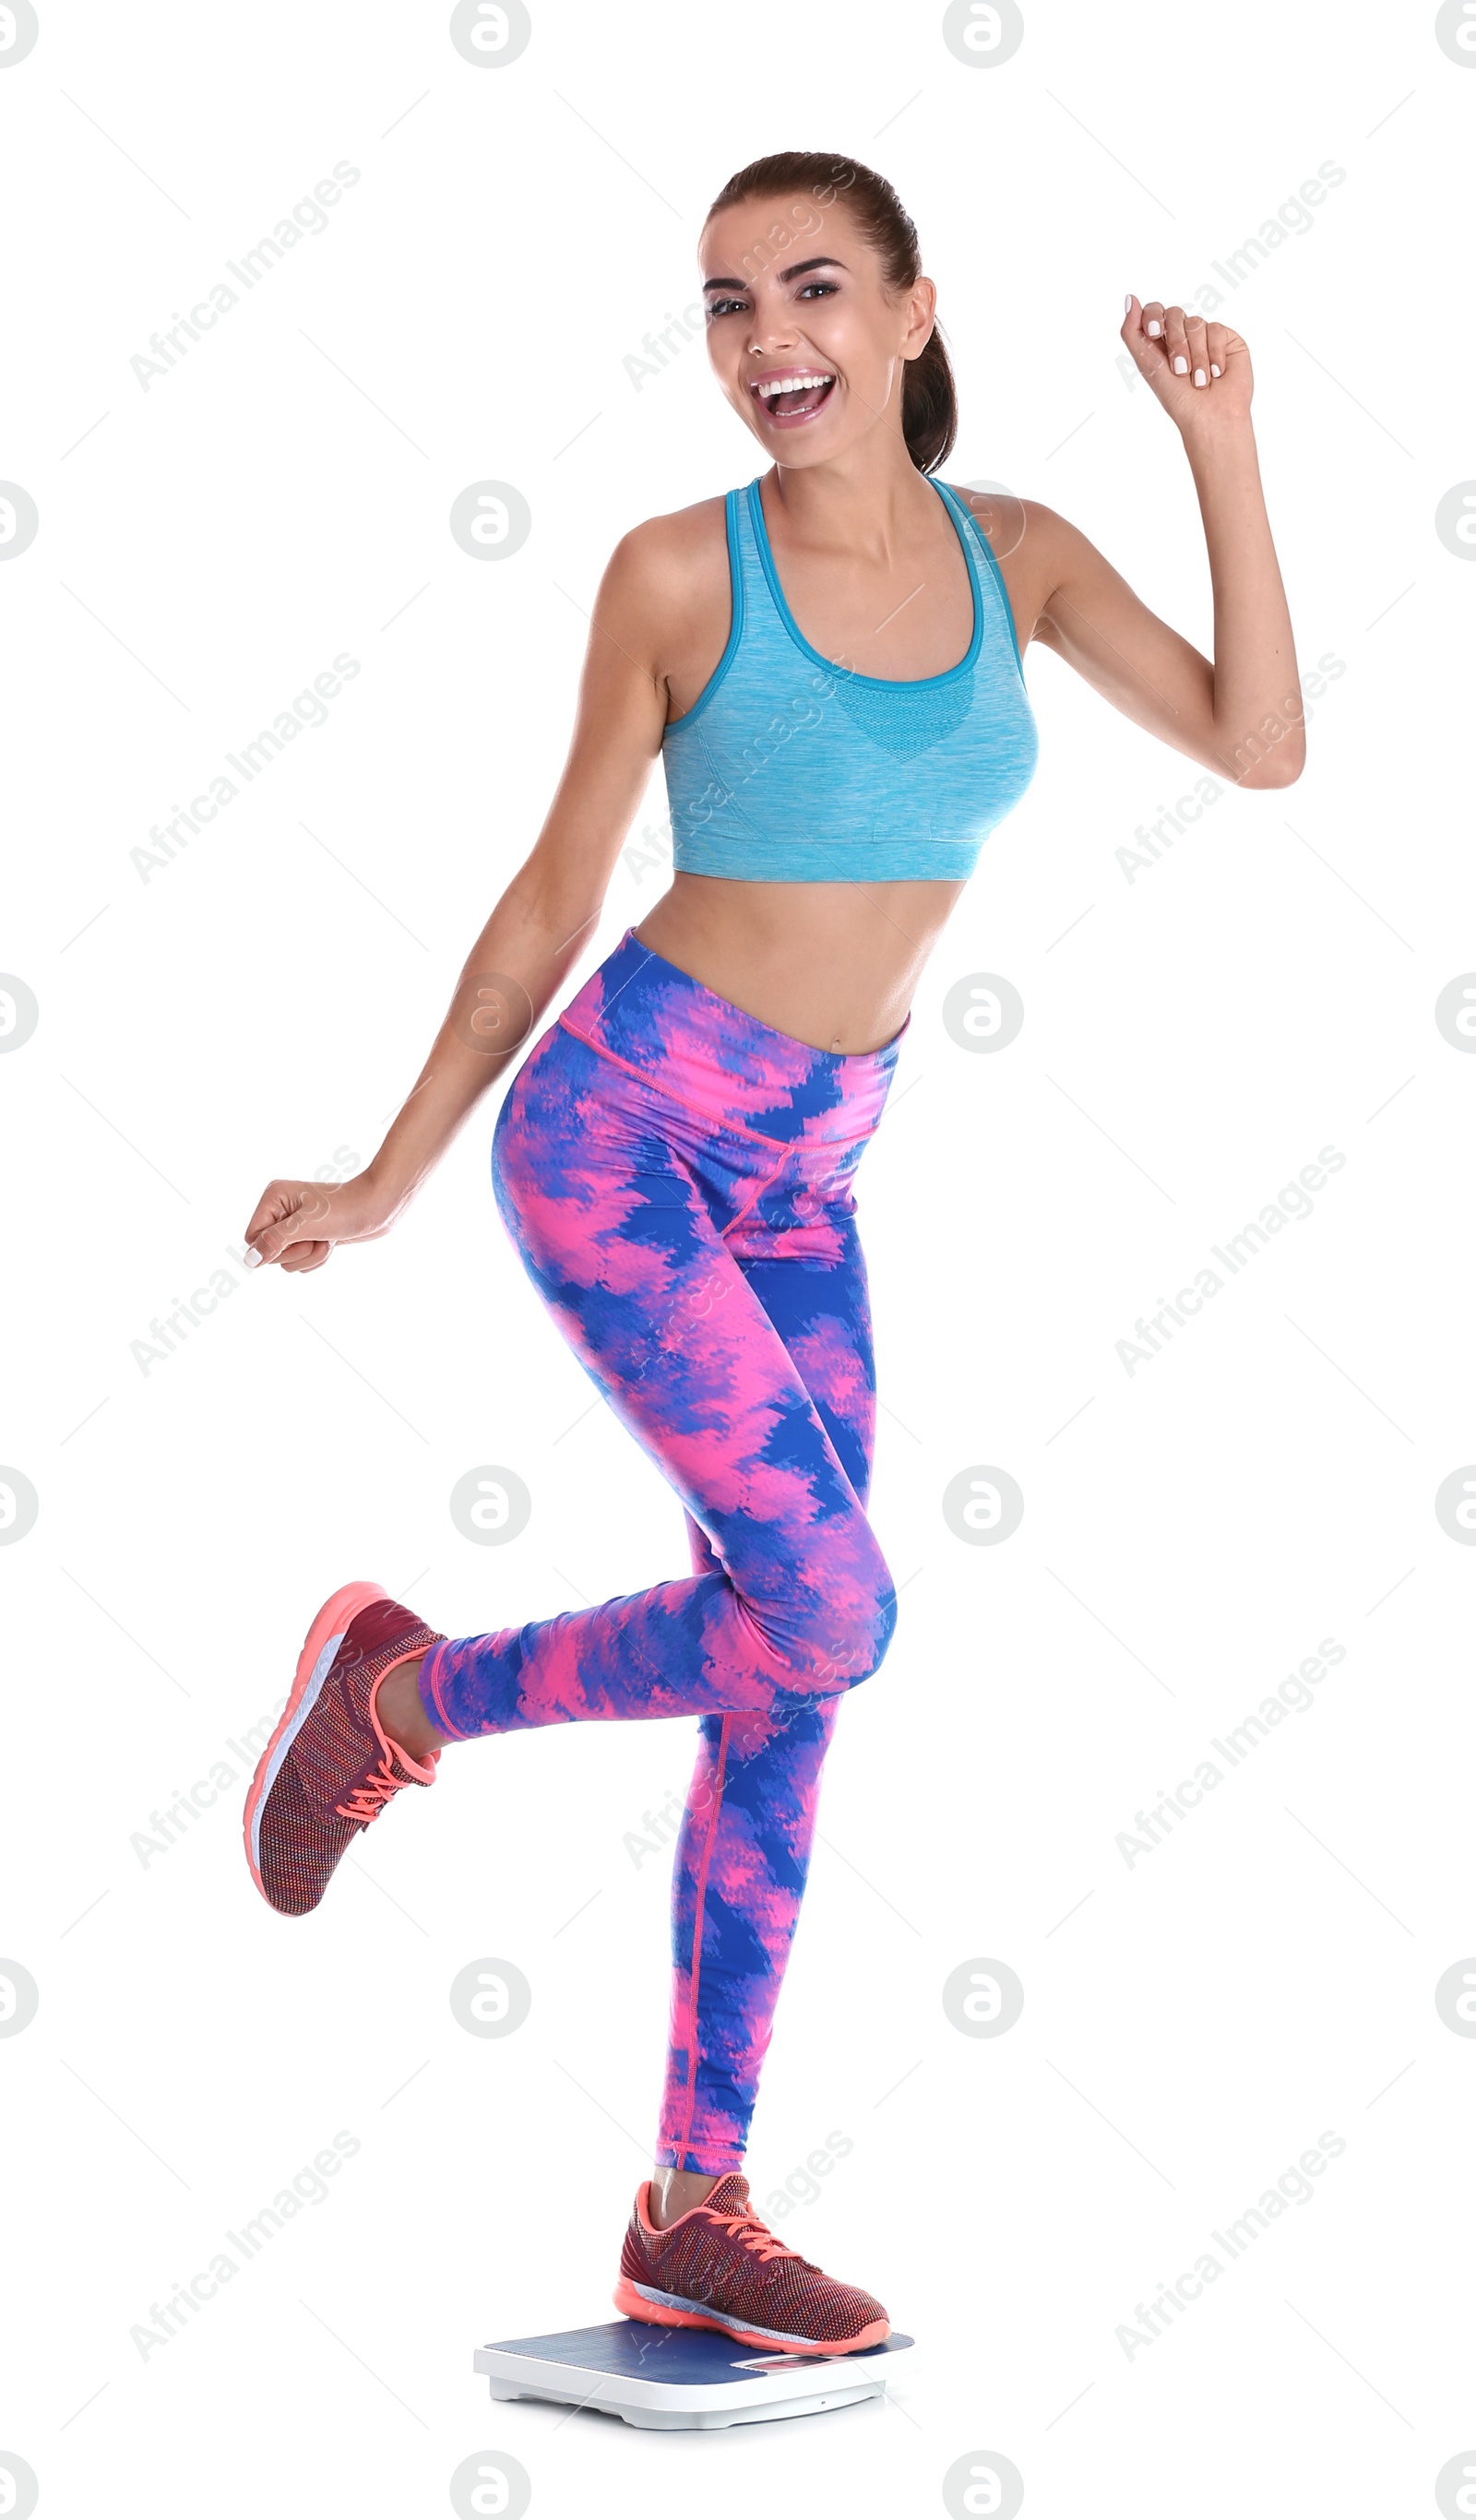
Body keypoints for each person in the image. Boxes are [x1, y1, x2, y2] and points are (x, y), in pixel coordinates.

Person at [240, 149, 1303, 2357]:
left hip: (811, 1171)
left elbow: (1255, 743)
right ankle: (400, 1696)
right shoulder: (667, 575)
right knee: (826, 1604)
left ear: (915, 312)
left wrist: (1221, 449)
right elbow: (546, 903)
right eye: (724, 305)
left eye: (811, 290)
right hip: (619, 1136)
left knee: (789, 1666)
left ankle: (689, 2207)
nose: (763, 340)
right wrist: (383, 1174)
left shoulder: (1021, 556)